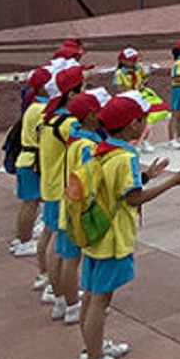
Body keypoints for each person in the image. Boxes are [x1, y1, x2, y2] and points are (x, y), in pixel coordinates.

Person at [79, 91, 180, 359]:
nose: (145, 124)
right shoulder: (126, 156)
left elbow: (116, 186)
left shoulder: (103, 149)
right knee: (100, 300)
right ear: (132, 124)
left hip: (95, 232)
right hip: (112, 237)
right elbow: (134, 198)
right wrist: (173, 181)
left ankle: (92, 347)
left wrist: (147, 176)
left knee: (91, 295)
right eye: (143, 119)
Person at [55, 87, 112, 326]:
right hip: (78, 211)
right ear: (90, 116)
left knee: (65, 256)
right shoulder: (87, 145)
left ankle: (62, 300)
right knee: (71, 259)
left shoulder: (76, 137)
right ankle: (71, 306)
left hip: (69, 205)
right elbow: (90, 179)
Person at [38, 65, 89, 310]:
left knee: (53, 240)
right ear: (71, 94)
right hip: (63, 190)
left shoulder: (50, 117)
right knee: (67, 252)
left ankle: (55, 289)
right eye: (83, 88)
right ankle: (68, 301)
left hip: (51, 186)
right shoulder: (68, 123)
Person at [10, 68, 50, 262]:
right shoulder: (41, 110)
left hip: (28, 159)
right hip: (33, 161)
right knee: (30, 203)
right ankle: (24, 241)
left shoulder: (34, 106)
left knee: (30, 202)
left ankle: (21, 238)